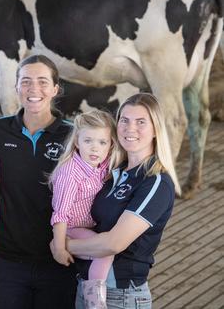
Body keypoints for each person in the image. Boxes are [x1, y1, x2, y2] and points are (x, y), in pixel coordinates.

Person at [64, 93, 179, 309]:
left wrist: (64, 246)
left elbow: (114, 243)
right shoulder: (112, 172)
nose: (130, 128)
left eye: (141, 122)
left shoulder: (155, 182)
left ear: (156, 130)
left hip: (121, 295)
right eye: (124, 120)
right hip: (87, 285)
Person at [0, 54, 76, 309]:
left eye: (43, 81)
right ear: (16, 87)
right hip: (6, 260)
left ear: (55, 89)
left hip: (58, 259)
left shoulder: (73, 135)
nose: (34, 89)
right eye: (26, 81)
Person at [49, 110, 122, 309]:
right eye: (88, 140)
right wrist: (60, 247)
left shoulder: (103, 164)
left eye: (102, 142)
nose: (94, 148)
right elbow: (60, 214)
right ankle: (95, 303)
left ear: (111, 145)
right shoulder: (70, 172)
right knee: (104, 252)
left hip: (88, 227)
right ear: (76, 142)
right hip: (72, 228)